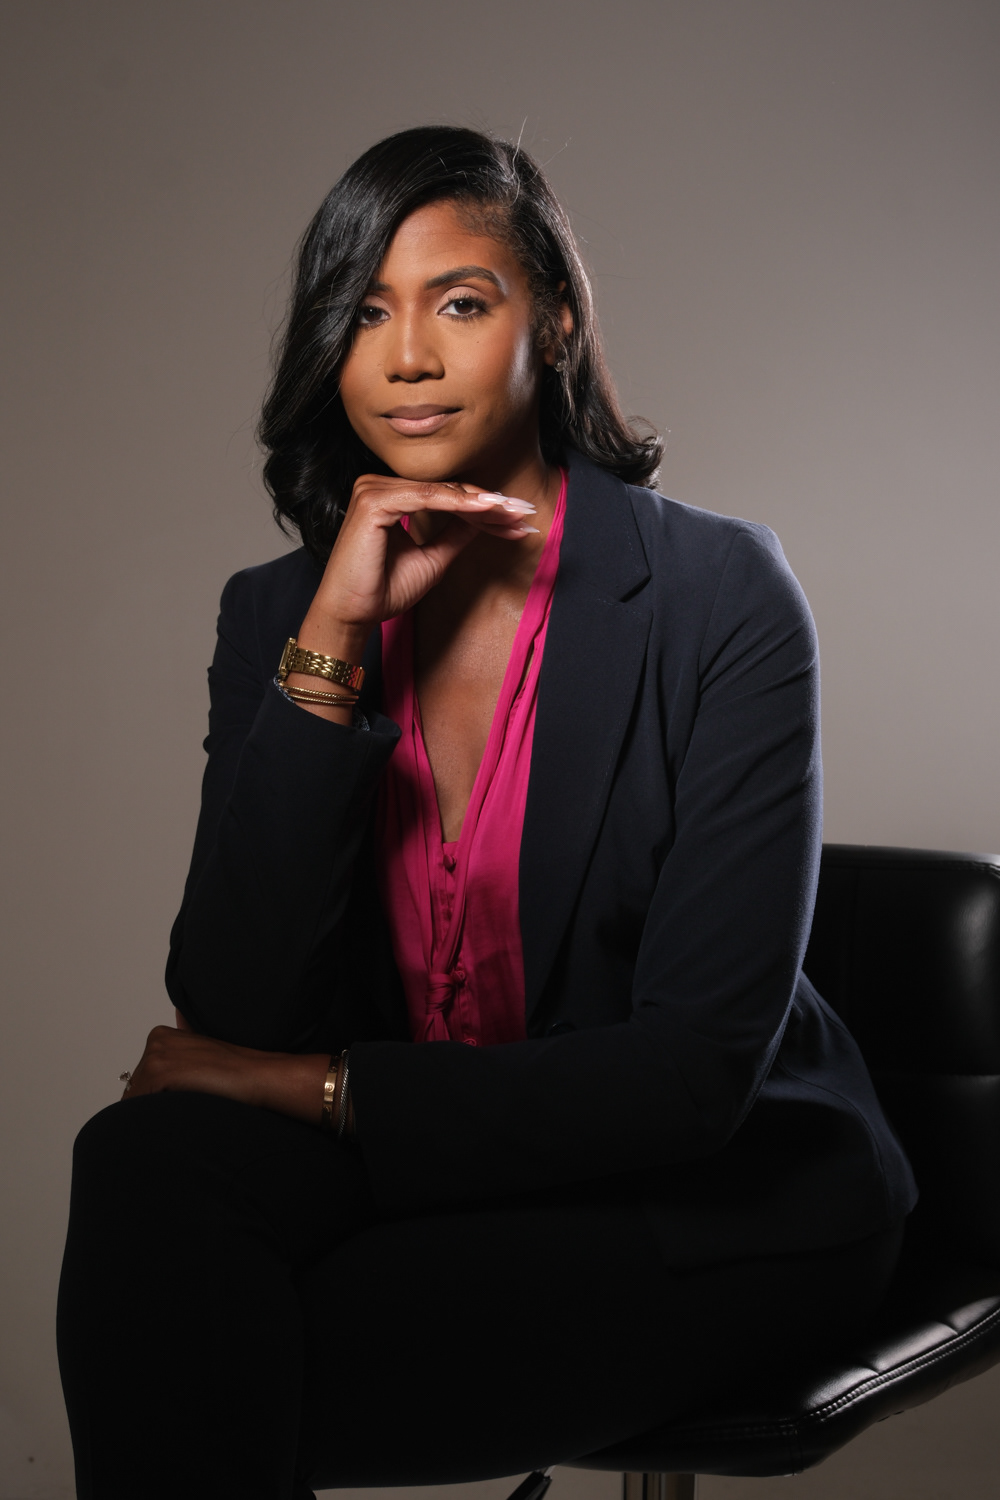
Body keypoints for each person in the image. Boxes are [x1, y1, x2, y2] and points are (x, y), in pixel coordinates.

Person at [56, 126, 917, 1500]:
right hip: (437, 1158)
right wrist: (337, 640)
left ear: (555, 321)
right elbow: (234, 1003)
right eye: (364, 312)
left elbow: (691, 1080)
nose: (406, 356)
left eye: (460, 302)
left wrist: (324, 1091)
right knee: (144, 1176)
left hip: (703, 1192)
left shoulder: (715, 594)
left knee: (222, 1356)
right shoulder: (279, 612)